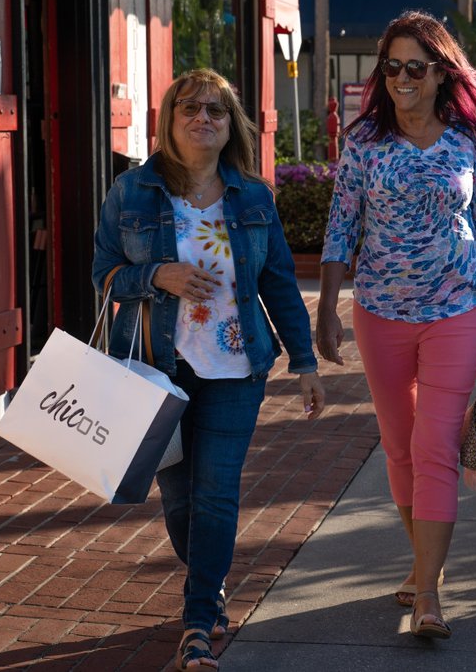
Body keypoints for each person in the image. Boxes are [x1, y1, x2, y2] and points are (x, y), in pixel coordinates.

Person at [93, 68, 325, 671]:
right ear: (169, 119)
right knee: (178, 499)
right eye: (190, 108)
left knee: (216, 493)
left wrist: (304, 362)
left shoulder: (252, 197)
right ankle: (210, 585)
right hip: (157, 368)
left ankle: (197, 622)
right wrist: (156, 276)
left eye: (216, 112)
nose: (203, 119)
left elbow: (277, 281)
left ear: (231, 127)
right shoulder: (132, 192)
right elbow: (103, 275)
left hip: (235, 366)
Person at [316, 11, 476, 640]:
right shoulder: (363, 142)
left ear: (441, 73)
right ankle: (421, 563)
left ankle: (428, 596)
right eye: (392, 66)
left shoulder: (469, 142)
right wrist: (327, 308)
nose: (403, 77)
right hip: (380, 313)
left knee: (436, 447)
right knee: (400, 444)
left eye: (416, 66)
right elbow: (340, 227)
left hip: (457, 310)